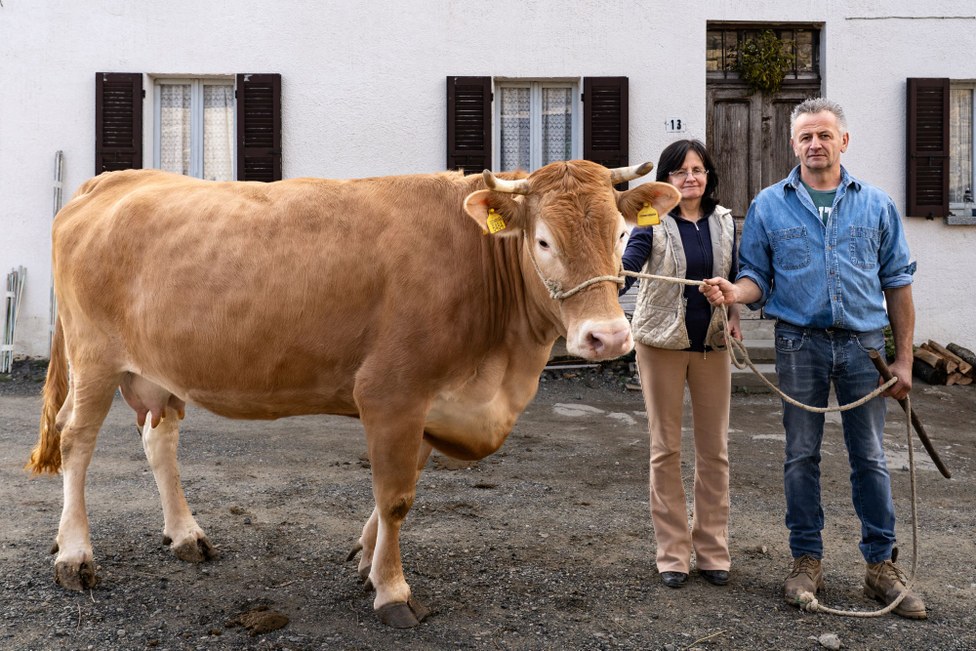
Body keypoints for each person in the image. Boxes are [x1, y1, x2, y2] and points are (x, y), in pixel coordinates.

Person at [700, 98, 926, 619]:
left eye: (824, 135)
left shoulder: (877, 205)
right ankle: (806, 560)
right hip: (799, 344)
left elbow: (898, 283)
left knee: (869, 455)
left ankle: (880, 567)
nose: (815, 144)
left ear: (843, 141)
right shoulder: (767, 206)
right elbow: (757, 278)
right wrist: (734, 294)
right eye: (805, 137)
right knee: (801, 454)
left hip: (865, 348)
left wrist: (906, 360)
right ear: (793, 144)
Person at [621, 139, 741, 589]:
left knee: (715, 452)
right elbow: (631, 263)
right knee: (665, 450)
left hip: (711, 345)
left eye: (698, 169)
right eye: (680, 171)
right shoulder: (654, 219)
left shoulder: (726, 221)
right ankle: (672, 554)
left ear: (708, 175)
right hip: (659, 346)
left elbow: (737, 275)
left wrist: (733, 312)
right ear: (666, 180)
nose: (690, 177)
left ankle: (713, 551)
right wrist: (609, 282)